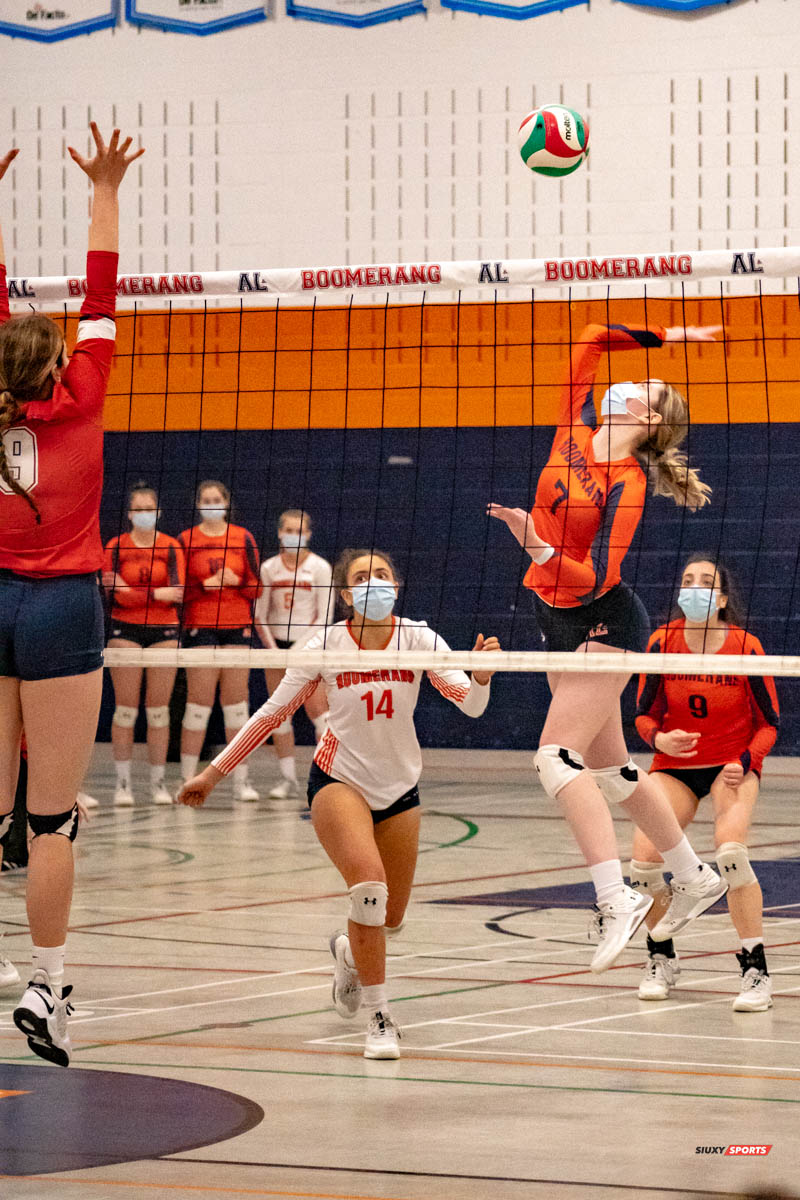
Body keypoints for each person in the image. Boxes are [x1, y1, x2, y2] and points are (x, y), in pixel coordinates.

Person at [177, 548, 500, 1059]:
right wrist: (213, 774)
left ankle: (350, 950)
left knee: (389, 919)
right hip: (338, 781)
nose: (375, 583)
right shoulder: (324, 645)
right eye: (362, 577)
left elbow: (472, 706)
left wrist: (481, 677)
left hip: (400, 790)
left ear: (397, 585)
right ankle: (379, 1015)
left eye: (383, 575)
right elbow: (270, 713)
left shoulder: (418, 639)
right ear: (346, 594)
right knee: (368, 888)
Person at [488, 321, 727, 971]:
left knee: (553, 760)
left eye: (643, 388)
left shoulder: (627, 480)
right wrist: (670, 336)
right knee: (613, 773)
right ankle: (696, 876)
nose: (625, 386)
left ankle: (612, 896)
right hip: (555, 619)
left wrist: (534, 543)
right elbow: (592, 336)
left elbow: (599, 574)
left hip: (606, 621)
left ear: (648, 419)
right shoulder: (574, 427)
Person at [0, 124, 143, 1065]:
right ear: (59, 363)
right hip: (59, 608)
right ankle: (47, 991)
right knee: (49, 819)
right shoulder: (84, 389)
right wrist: (103, 188)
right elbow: (101, 291)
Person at [632, 554, 779, 1011]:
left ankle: (754, 969)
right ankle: (661, 957)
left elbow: (770, 723)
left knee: (731, 855)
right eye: (687, 580)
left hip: (730, 764)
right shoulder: (662, 642)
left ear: (723, 599)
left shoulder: (745, 646)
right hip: (674, 766)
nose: (694, 588)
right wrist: (660, 737)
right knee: (644, 863)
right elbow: (641, 715)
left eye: (705, 582)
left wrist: (747, 758)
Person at [178, 481, 260, 801]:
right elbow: (180, 590)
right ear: (198, 503)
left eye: (217, 499)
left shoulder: (243, 537)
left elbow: (256, 587)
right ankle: (187, 779)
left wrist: (237, 581)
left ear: (226, 503)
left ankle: (242, 782)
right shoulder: (187, 539)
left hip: (237, 623)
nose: (211, 504)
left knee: (237, 708)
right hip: (201, 625)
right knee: (198, 707)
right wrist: (204, 585)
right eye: (206, 499)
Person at [103, 483, 185, 806]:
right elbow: (110, 590)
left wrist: (132, 592)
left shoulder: (170, 546)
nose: (144, 514)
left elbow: (178, 592)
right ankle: (122, 785)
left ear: (159, 512)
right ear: (129, 514)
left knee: (158, 712)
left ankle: (158, 783)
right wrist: (153, 594)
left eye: (149, 509)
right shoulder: (116, 546)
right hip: (125, 629)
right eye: (138, 509)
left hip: (164, 630)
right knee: (125, 711)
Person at [254, 508, 334, 799]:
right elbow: (259, 614)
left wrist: (299, 652)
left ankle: (324, 779)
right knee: (279, 716)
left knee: (321, 715)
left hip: (309, 649)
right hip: (276, 648)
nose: (293, 536)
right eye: (288, 530)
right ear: (279, 532)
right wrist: (274, 652)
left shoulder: (321, 568)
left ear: (309, 534)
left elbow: (324, 617)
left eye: (299, 531)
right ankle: (288, 779)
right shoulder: (269, 568)